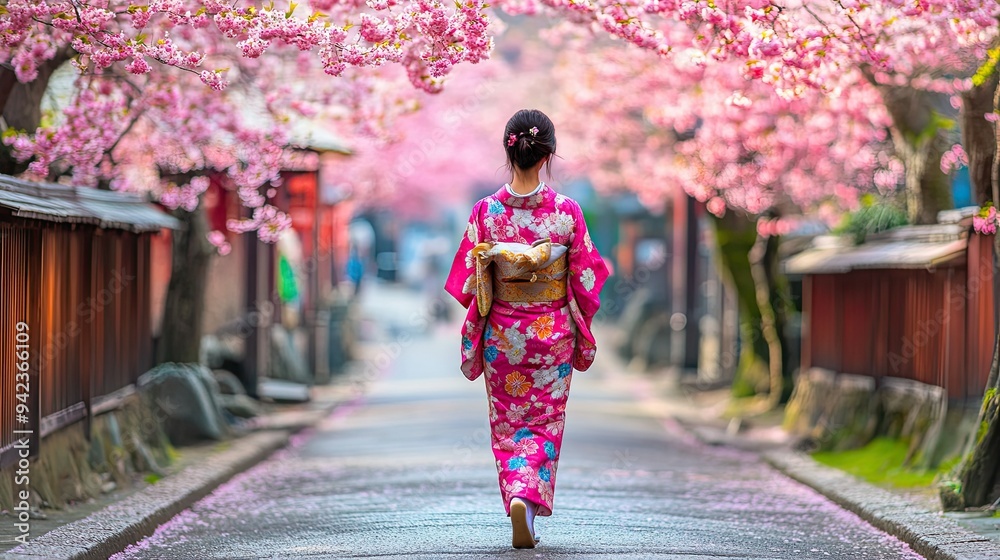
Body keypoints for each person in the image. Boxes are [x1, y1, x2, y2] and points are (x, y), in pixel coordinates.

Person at [444, 109, 609, 549]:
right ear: (548, 154)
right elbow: (587, 280)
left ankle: (518, 497)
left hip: (503, 335)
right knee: (545, 421)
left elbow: (465, 280)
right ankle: (528, 501)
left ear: (508, 149)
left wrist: (499, 265)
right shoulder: (566, 212)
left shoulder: (486, 212)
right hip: (551, 334)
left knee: (509, 423)